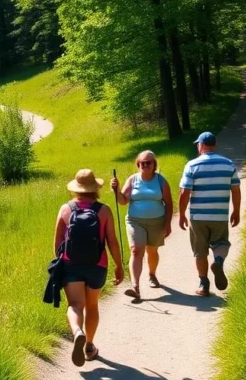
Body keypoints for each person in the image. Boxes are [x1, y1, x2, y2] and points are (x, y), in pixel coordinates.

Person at [54, 169, 124, 367]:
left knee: (75, 305)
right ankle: (89, 346)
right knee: (92, 305)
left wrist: (60, 263)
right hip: (97, 265)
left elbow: (57, 242)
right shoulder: (104, 211)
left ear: (76, 188)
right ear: (95, 188)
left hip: (71, 264)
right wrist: (119, 266)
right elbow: (112, 241)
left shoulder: (65, 209)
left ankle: (78, 333)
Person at [178, 132, 241, 297]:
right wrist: (236, 211)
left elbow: (185, 192)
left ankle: (204, 284)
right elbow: (236, 190)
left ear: (201, 145)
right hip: (219, 215)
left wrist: (182, 214)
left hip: (198, 217)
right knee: (221, 243)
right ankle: (218, 261)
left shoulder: (192, 165)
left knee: (200, 251)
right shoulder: (228, 164)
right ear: (214, 145)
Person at [110, 150, 173, 301]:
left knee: (152, 251)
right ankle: (135, 286)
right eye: (142, 163)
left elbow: (169, 204)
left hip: (157, 221)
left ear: (154, 165)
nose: (145, 165)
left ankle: (152, 274)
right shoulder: (133, 180)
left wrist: (167, 223)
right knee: (136, 250)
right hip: (135, 220)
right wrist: (116, 189)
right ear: (138, 164)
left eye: (148, 162)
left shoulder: (160, 181)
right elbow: (123, 201)